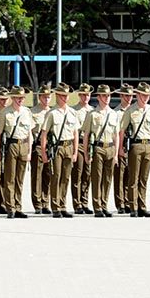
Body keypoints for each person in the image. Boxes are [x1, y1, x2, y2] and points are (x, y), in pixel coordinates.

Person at [119, 82, 150, 218]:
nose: (146, 97)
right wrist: (120, 148)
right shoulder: (131, 110)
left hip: (148, 145)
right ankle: (133, 207)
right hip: (135, 146)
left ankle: (142, 206)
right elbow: (122, 130)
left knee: (144, 178)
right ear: (137, 94)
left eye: (147, 95)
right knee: (133, 178)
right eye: (143, 95)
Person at [41, 83, 79, 218]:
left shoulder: (72, 112)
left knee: (66, 177)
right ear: (57, 95)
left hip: (69, 146)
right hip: (57, 147)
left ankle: (63, 205)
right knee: (56, 176)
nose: (65, 98)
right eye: (62, 95)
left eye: (67, 95)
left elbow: (75, 133)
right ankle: (55, 206)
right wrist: (44, 152)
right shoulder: (51, 113)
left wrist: (75, 151)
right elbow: (44, 134)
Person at [0, 86, 33, 219]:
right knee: (9, 178)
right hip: (11, 145)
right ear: (12, 98)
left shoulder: (27, 112)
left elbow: (29, 133)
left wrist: (29, 151)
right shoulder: (5, 112)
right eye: (18, 98)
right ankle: (10, 207)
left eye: (22, 98)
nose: (20, 100)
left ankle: (18, 207)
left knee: (20, 179)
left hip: (24, 145)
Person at [82, 85, 119, 217]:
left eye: (108, 95)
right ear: (98, 97)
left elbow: (116, 135)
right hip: (97, 148)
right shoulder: (92, 114)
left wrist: (116, 154)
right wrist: (86, 153)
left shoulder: (114, 114)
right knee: (97, 178)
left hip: (110, 147)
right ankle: (97, 206)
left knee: (108, 179)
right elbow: (86, 135)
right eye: (104, 95)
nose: (106, 98)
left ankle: (104, 204)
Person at [71, 83, 94, 214]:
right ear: (79, 95)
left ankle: (84, 202)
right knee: (77, 175)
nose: (86, 97)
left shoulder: (93, 110)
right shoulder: (74, 111)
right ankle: (77, 203)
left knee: (87, 174)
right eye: (83, 95)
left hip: (90, 145)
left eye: (88, 95)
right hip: (79, 144)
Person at [31, 85, 53, 214]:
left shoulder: (53, 112)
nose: (46, 99)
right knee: (37, 176)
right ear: (39, 97)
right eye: (44, 97)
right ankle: (37, 203)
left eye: (48, 97)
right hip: (38, 146)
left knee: (48, 175)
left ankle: (46, 202)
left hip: (51, 146)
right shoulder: (33, 112)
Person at [113, 84, 134, 213]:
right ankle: (120, 203)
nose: (129, 98)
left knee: (130, 175)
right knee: (120, 175)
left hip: (132, 145)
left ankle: (128, 201)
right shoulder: (116, 112)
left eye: (131, 96)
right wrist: (119, 148)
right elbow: (115, 132)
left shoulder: (135, 110)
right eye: (126, 95)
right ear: (121, 96)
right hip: (121, 144)